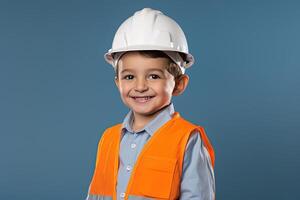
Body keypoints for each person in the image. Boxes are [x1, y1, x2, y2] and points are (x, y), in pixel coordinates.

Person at [86, 8, 215, 200]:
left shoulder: (187, 139)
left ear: (179, 84)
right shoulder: (108, 138)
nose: (140, 86)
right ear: (118, 83)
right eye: (129, 76)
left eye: (153, 76)